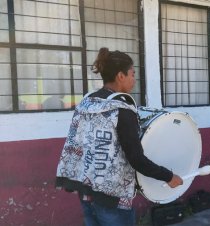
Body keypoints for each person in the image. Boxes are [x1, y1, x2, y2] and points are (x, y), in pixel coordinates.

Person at [55, 47, 183, 226]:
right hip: (111, 199)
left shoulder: (87, 102)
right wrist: (168, 176)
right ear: (120, 76)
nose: (134, 79)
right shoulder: (121, 110)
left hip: (85, 190)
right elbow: (136, 159)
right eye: (132, 74)